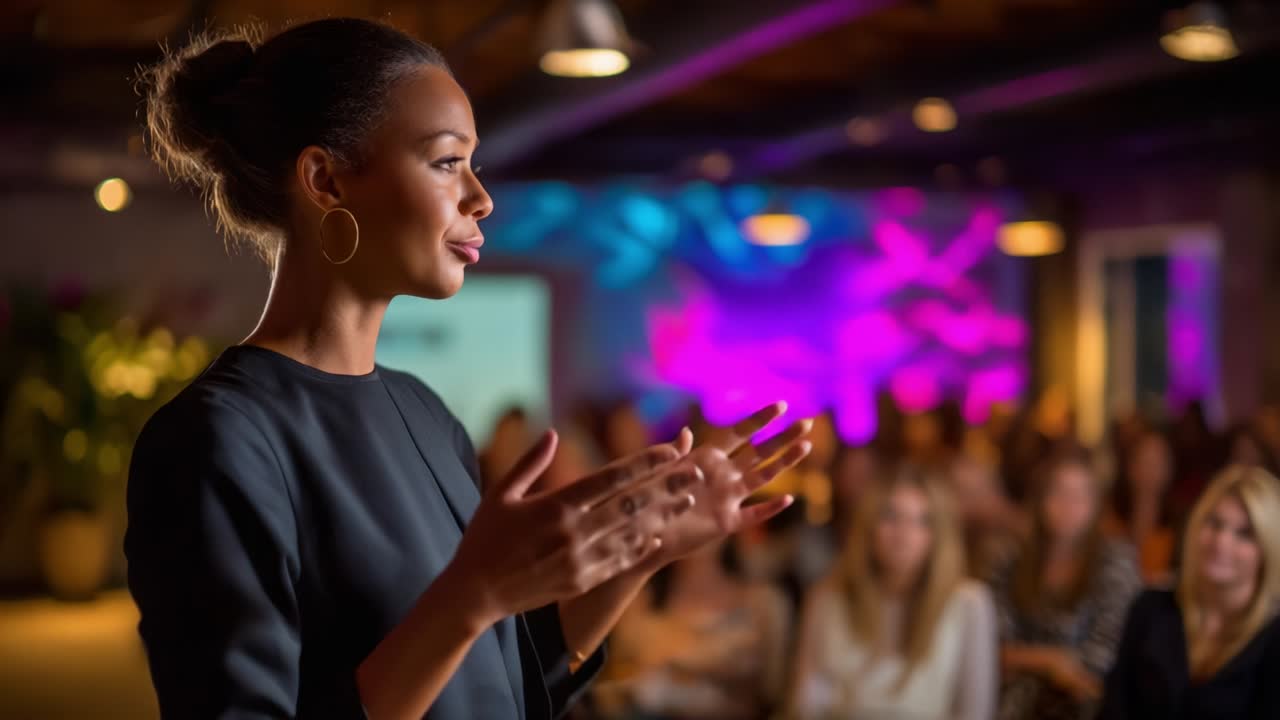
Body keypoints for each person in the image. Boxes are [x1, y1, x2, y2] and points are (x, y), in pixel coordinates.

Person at [124, 18, 813, 720]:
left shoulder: (425, 413)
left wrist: (640, 557)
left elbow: (498, 679)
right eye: (448, 161)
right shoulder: (215, 443)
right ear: (327, 181)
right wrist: (470, 596)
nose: (481, 198)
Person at [789, 466, 998, 720]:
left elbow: (974, 713)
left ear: (939, 534)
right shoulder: (827, 598)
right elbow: (804, 705)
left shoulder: (969, 603)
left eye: (922, 521)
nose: (904, 534)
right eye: (890, 517)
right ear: (868, 526)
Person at [1098, 465, 1280, 719]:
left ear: (1268, 548)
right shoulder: (1151, 607)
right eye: (1215, 524)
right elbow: (1113, 709)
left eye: (1244, 534)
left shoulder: (1272, 639)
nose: (1221, 542)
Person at [990, 447, 1142, 720]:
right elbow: (989, 646)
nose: (1068, 505)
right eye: (1058, 492)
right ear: (1041, 499)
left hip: (1085, 709)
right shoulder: (1011, 559)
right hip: (1010, 705)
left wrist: (1023, 659)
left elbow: (1100, 659)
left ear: (1096, 503)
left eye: (1080, 495)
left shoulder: (1115, 562)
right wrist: (1051, 661)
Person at [592, 539, 791, 720]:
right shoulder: (636, 604)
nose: (694, 524)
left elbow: (777, 695)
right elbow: (612, 692)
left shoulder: (764, 606)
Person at [1103, 430, 1177, 585]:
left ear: (1169, 469)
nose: (1151, 470)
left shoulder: (1178, 526)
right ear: (1130, 466)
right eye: (1145, 460)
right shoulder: (1108, 516)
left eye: (1158, 462)